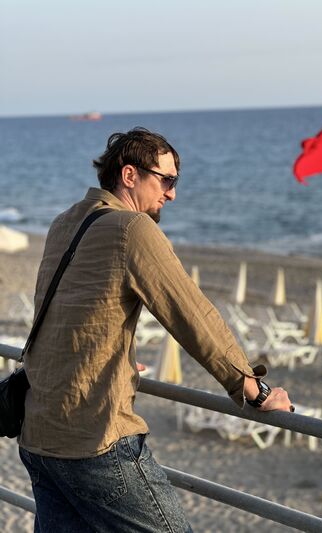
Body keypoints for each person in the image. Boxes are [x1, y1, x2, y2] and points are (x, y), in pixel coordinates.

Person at [18, 127, 293, 532]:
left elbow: (68, 317)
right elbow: (192, 316)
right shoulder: (132, 228)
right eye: (166, 180)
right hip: (94, 440)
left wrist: (117, 361)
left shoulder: (64, 223)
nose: (172, 194)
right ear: (130, 175)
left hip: (39, 436)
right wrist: (253, 389)